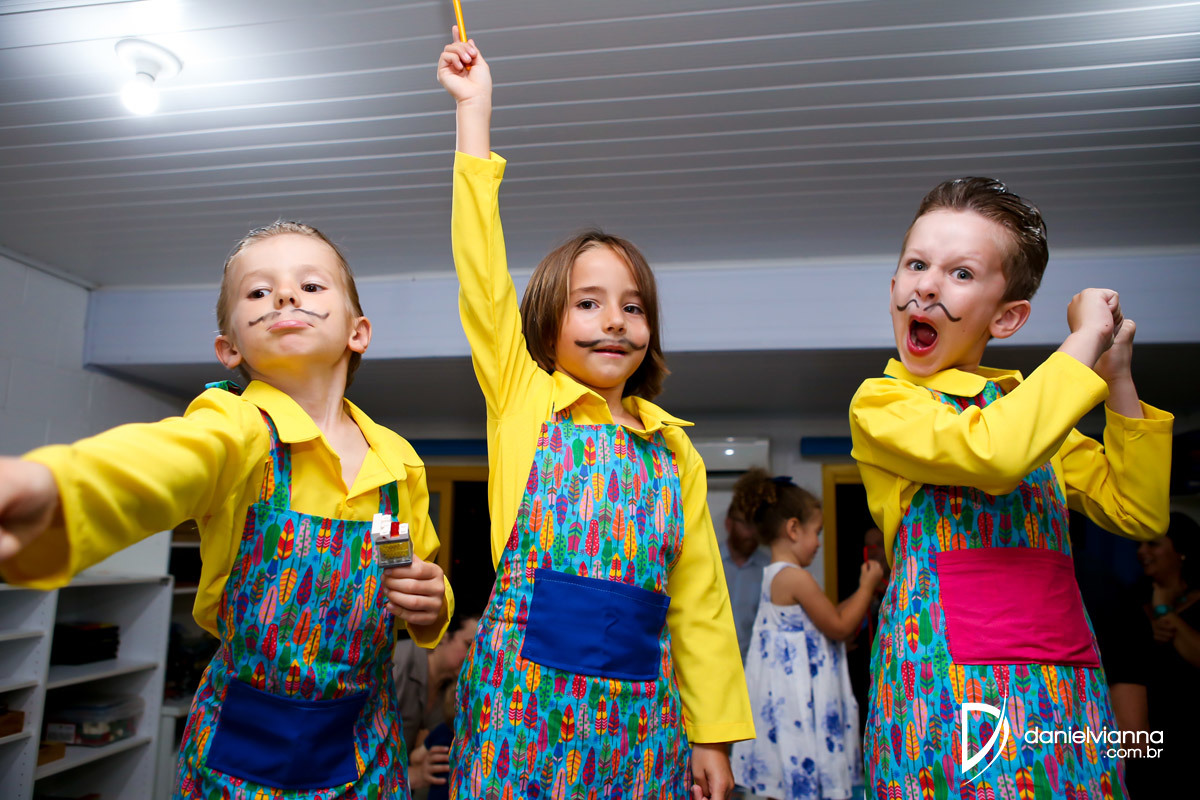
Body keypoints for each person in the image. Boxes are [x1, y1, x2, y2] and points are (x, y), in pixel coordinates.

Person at [0, 221, 452, 799]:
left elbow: (418, 580)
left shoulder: (399, 461)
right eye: (258, 291)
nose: (284, 296)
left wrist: (433, 604)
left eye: (311, 286)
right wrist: (58, 487)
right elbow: (170, 458)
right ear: (229, 348)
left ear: (357, 332)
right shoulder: (235, 426)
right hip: (241, 746)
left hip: (366, 747)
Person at [437, 31, 753, 800]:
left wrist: (712, 734)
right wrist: (474, 114)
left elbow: (700, 604)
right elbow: (482, 272)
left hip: (645, 734)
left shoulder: (673, 450)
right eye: (589, 303)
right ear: (544, 324)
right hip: (518, 728)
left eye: (633, 307)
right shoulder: (522, 399)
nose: (615, 321)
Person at [849, 178, 1173, 795]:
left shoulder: (1027, 409)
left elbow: (1139, 511)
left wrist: (1117, 378)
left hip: (1063, 685)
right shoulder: (884, 403)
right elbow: (994, 453)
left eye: (960, 273)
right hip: (946, 689)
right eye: (916, 264)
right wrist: (1082, 341)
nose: (927, 285)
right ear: (893, 287)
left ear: (1008, 317)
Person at [730, 469, 883, 799]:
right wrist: (866, 586)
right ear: (793, 529)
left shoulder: (775, 575)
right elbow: (839, 626)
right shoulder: (795, 578)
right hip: (798, 704)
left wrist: (857, 599)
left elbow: (827, 616)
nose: (819, 542)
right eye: (817, 532)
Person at [1129, 511, 1200, 794]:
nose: (1141, 551)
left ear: (1181, 551)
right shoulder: (1131, 601)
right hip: (1148, 738)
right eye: (1139, 544)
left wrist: (1164, 611)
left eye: (1153, 543)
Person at [395, 614, 479, 790]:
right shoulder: (396, 663)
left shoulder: (453, 694)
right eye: (469, 645)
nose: (474, 658)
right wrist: (410, 776)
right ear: (443, 636)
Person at [722, 501, 772, 660]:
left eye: (756, 525)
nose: (752, 532)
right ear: (729, 524)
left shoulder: (768, 569)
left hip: (752, 665)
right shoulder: (709, 562)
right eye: (746, 524)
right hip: (712, 663)